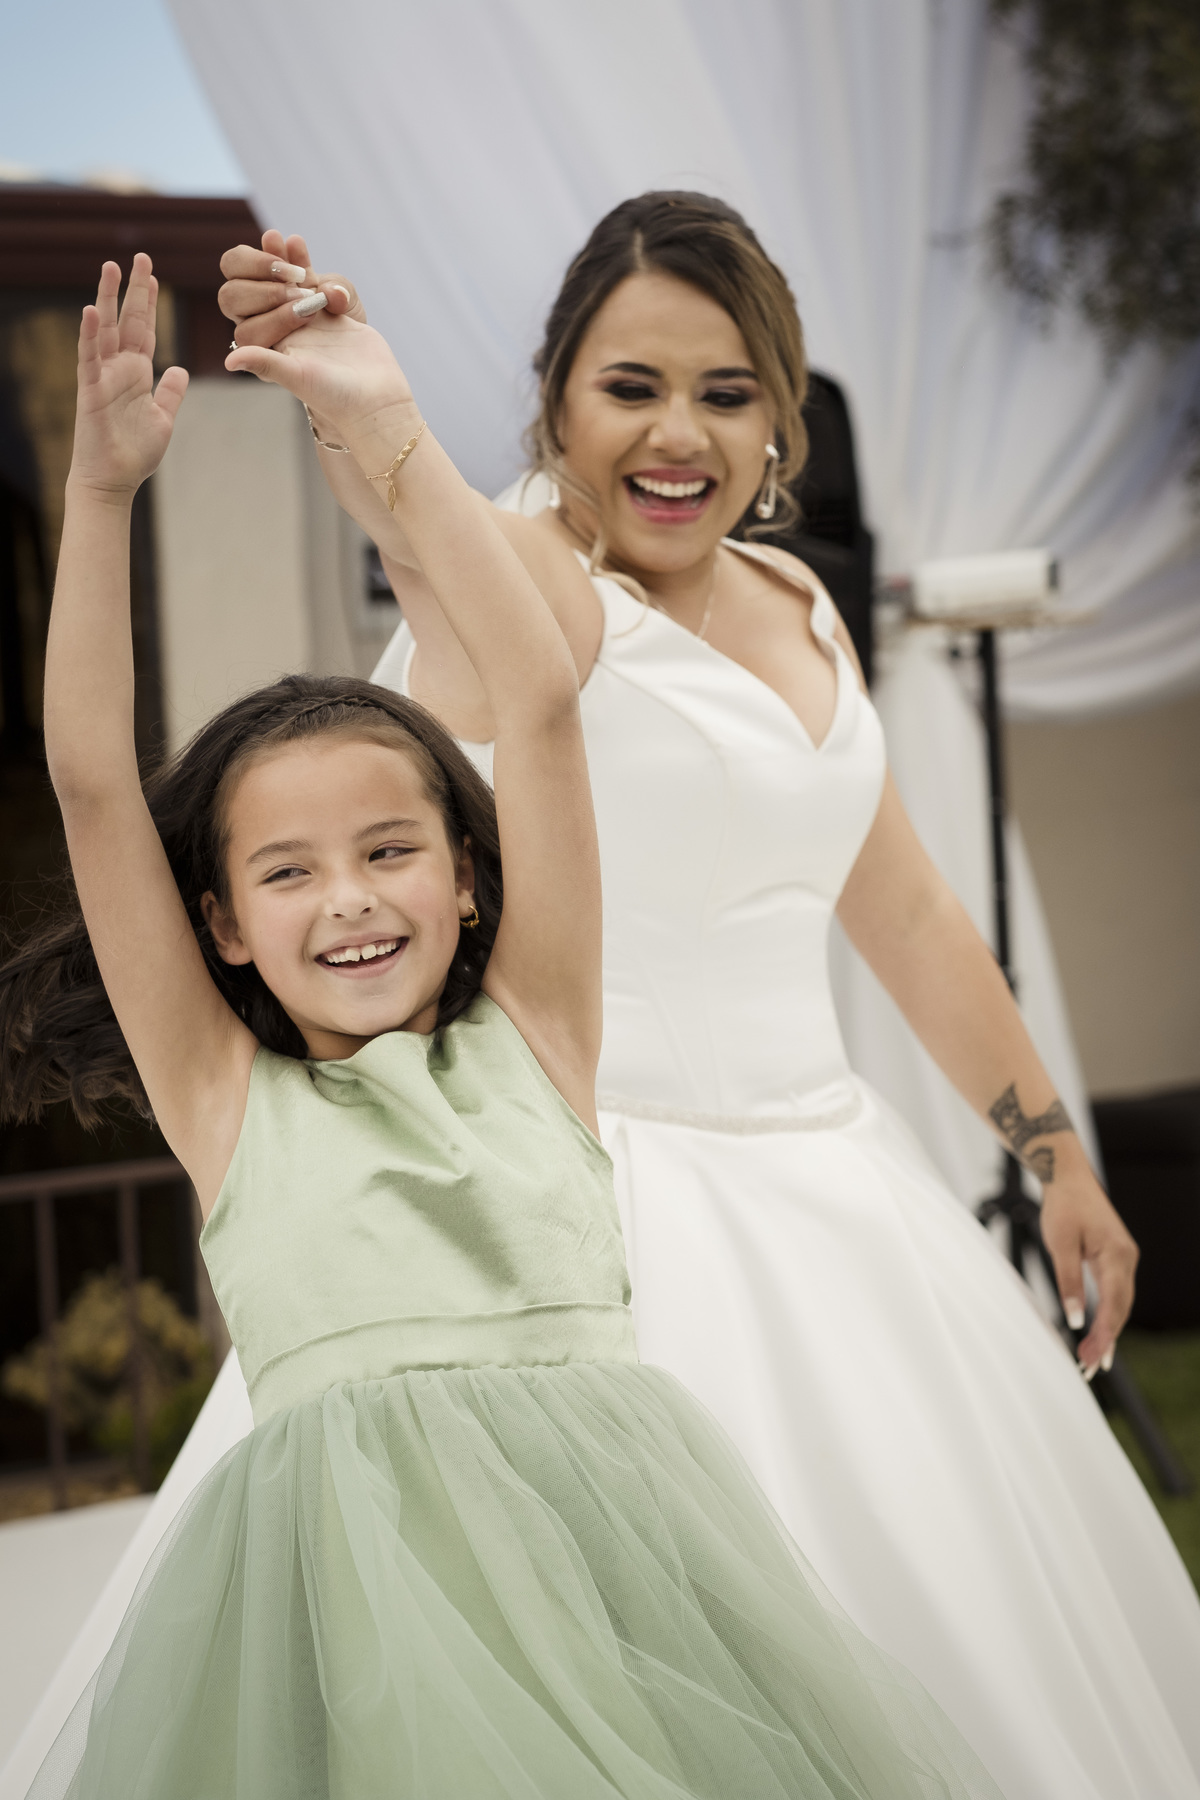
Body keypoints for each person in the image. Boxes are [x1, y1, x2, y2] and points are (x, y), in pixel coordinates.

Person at [212, 195, 1200, 1800]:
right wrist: (367, 408)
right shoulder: (518, 575)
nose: (679, 437)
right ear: (556, 399)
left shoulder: (805, 612)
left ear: (780, 419)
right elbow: (428, 551)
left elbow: (912, 913)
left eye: (727, 392)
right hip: (594, 1221)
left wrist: (1052, 1151)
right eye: (631, 388)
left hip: (844, 1196)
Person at [1, 253, 1009, 1800]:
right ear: (222, 925)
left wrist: (388, 420)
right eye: (288, 872)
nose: (349, 901)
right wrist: (105, 492)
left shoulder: (544, 1033)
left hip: (626, 1588)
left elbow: (540, 697)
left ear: (473, 881)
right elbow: (88, 778)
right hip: (371, 1616)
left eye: (391, 851)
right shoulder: (223, 1098)